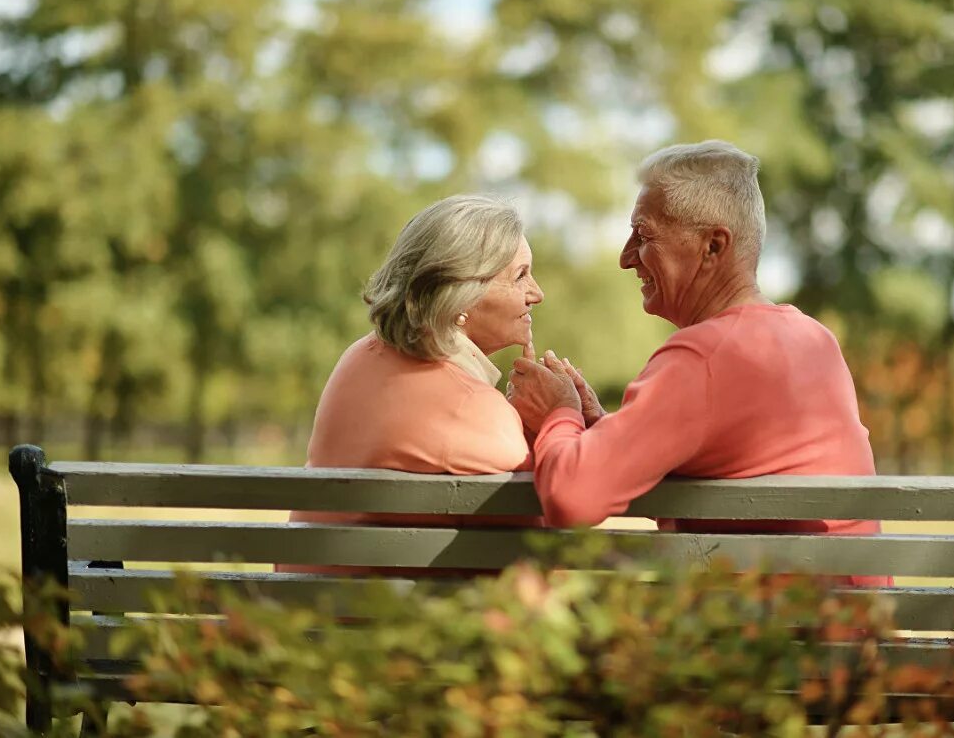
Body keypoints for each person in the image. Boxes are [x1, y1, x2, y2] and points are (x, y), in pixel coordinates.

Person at [507, 140, 886, 586]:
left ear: (712, 246)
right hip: (849, 628)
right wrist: (600, 427)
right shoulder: (813, 339)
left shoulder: (703, 357)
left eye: (644, 236)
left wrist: (558, 414)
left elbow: (572, 499)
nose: (626, 257)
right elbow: (727, 450)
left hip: (773, 640)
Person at [284, 194, 544, 574]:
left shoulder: (359, 356)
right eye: (520, 275)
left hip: (309, 607)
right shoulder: (474, 409)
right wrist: (558, 417)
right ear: (460, 295)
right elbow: (549, 529)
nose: (537, 293)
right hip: (386, 624)